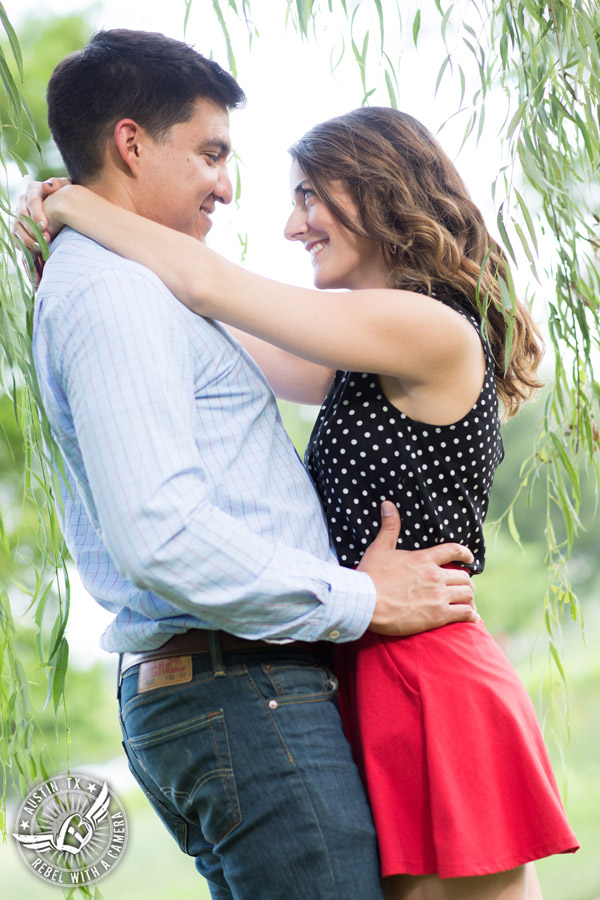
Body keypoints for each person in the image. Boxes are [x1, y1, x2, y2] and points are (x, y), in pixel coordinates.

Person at [20, 105, 580, 900]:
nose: (291, 224)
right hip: (353, 653)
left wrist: (78, 206)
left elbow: (208, 281)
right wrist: (82, 258)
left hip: (421, 670)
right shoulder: (355, 359)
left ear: (380, 191)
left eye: (310, 195)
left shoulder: (430, 329)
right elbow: (201, 317)